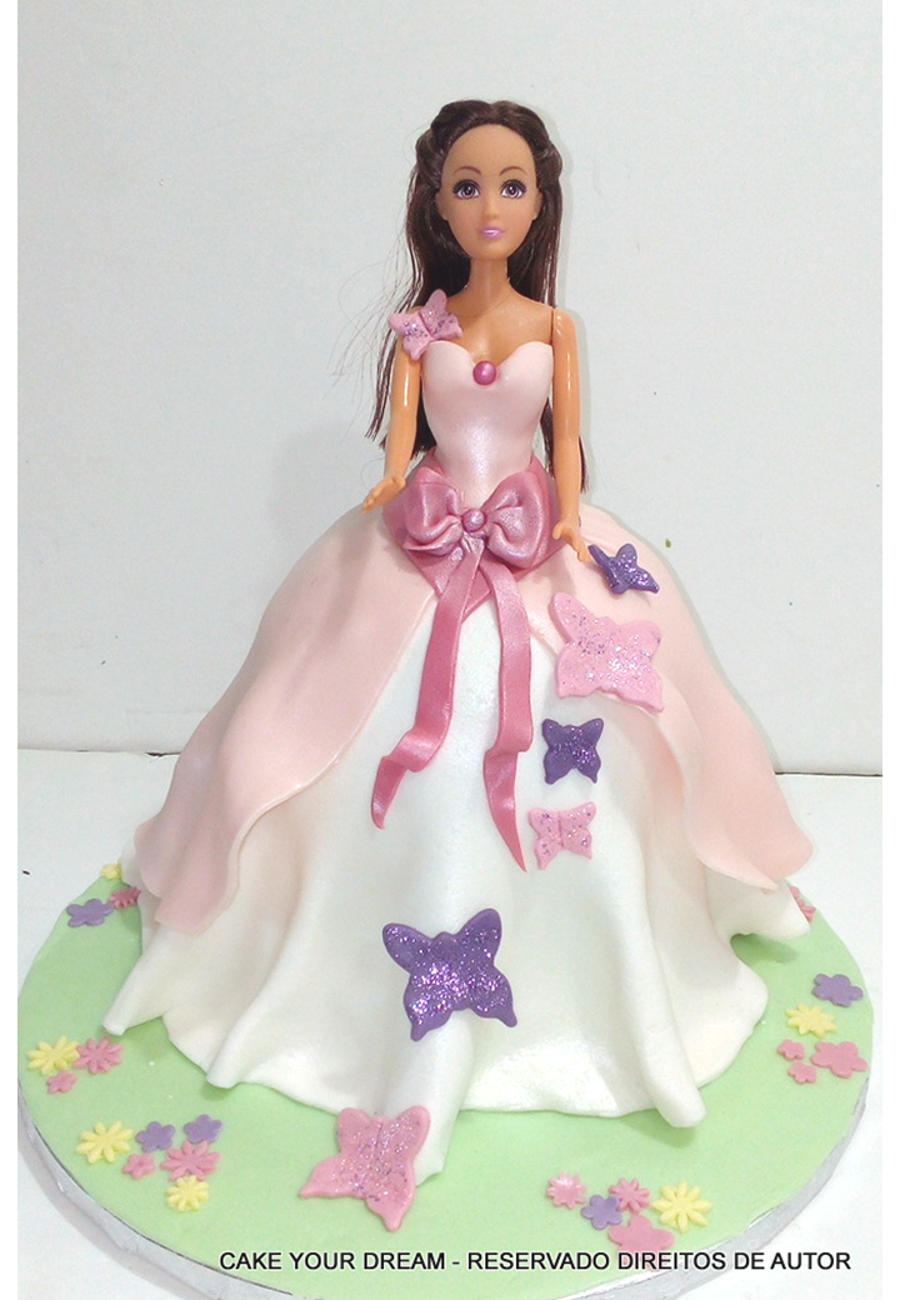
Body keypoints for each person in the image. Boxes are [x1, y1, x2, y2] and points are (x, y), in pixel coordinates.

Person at [106, 100, 811, 1190]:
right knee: (309, 720)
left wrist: (563, 528)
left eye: (512, 186)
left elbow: (563, 447)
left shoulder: (553, 328)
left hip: (535, 538)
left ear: (540, 202)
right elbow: (401, 451)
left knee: (635, 723)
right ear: (436, 201)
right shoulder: (420, 330)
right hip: (425, 534)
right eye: (469, 185)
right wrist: (395, 501)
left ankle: (606, 965)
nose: (491, 206)